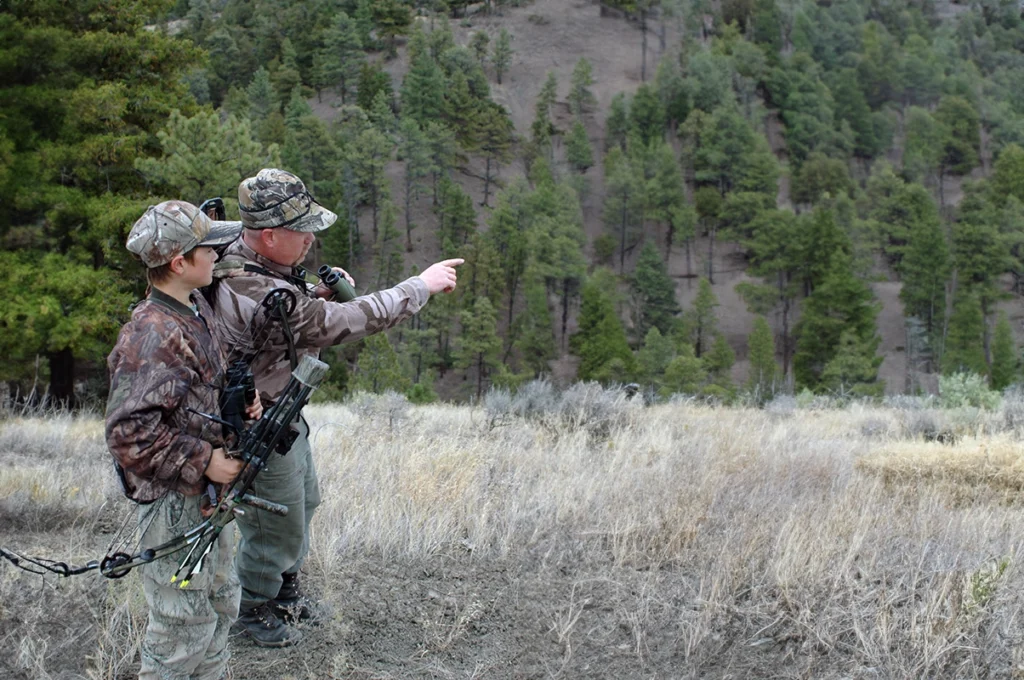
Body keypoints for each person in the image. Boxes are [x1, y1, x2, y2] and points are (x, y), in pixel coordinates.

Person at [208, 168, 462, 647]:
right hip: (256, 423)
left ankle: (284, 593)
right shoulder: (260, 290)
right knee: (273, 518)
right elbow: (344, 321)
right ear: (267, 235)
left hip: (283, 412)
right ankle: (254, 611)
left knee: (303, 502)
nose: (310, 240)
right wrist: (419, 287)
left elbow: (288, 314)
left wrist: (313, 292)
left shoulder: (244, 260)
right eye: (300, 231)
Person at [106, 200, 261, 679]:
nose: (219, 253)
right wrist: (204, 460)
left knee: (217, 607)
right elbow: (129, 435)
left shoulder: (193, 309)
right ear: (179, 262)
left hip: (208, 500)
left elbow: (199, 390)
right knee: (179, 629)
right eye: (208, 247)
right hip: (175, 505)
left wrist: (240, 403)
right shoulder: (152, 334)